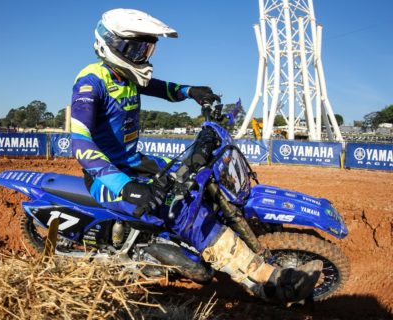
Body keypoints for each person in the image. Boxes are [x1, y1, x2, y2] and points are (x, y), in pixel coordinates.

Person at [70, 8, 322, 303]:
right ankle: (266, 281)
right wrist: (125, 187)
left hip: (133, 162)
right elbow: (80, 143)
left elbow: (161, 88)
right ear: (110, 43)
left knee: (194, 176)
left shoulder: (127, 76)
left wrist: (192, 91)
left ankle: (217, 241)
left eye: (147, 48)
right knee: (179, 210)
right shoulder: (91, 82)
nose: (142, 56)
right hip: (107, 177)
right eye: (136, 48)